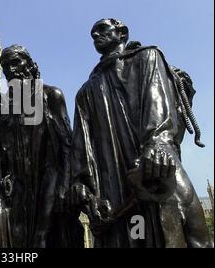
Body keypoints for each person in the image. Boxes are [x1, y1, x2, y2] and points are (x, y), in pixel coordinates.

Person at [68, 18, 212, 248]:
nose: (96, 35)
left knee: (189, 227)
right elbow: (81, 145)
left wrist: (158, 142)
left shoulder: (148, 57)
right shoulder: (85, 92)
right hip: (113, 181)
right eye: (93, 34)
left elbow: (159, 104)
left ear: (122, 33)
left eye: (102, 30)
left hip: (156, 163)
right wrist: (81, 183)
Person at [0, 45, 83, 248]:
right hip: (19, 188)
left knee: (43, 239)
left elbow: (68, 146)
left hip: (48, 182)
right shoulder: (5, 110)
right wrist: (3, 178)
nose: (11, 70)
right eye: (5, 66)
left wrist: (65, 186)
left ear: (30, 65)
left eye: (15, 63)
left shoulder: (51, 96)